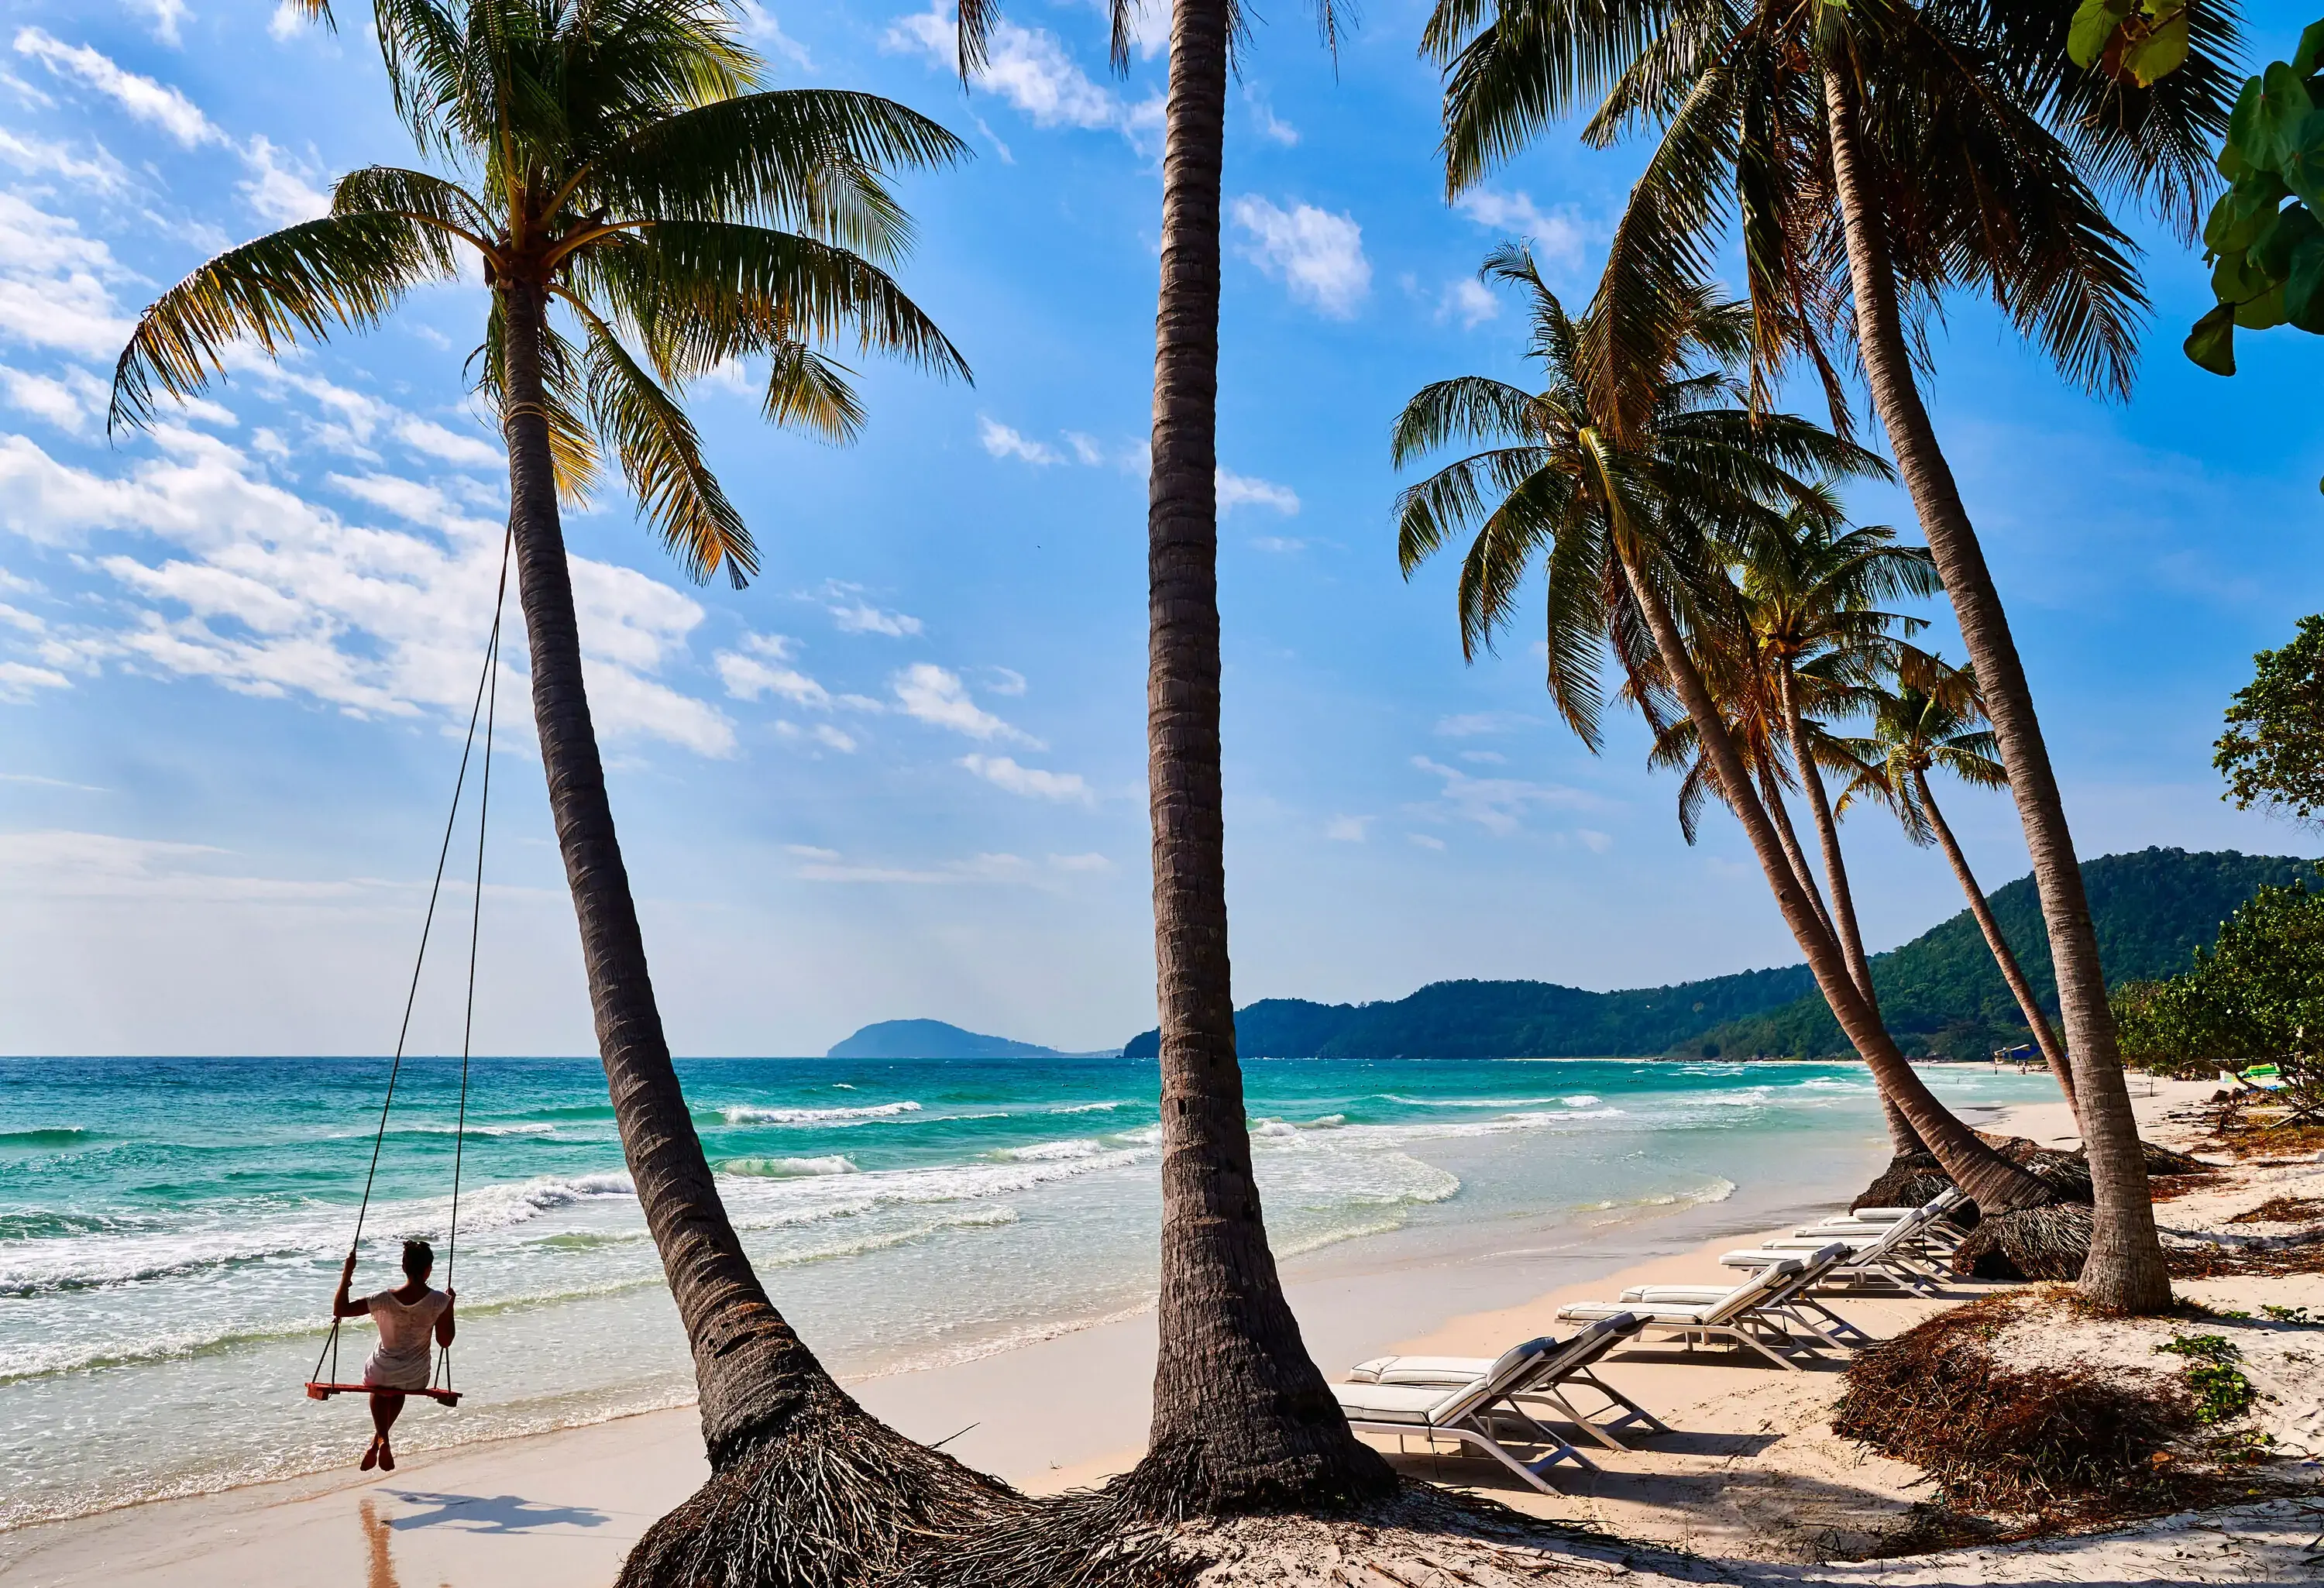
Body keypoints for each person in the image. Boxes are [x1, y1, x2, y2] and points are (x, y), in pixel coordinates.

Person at [332, 1238, 455, 1472]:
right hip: (415, 1376)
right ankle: (380, 1440)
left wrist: (346, 1274)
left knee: (382, 1384)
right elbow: (445, 1341)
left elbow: (341, 1310)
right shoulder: (440, 1301)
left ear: (403, 1267)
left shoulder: (383, 1299)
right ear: (428, 1269)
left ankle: (381, 1439)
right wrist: (450, 1307)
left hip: (380, 1372)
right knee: (399, 1388)